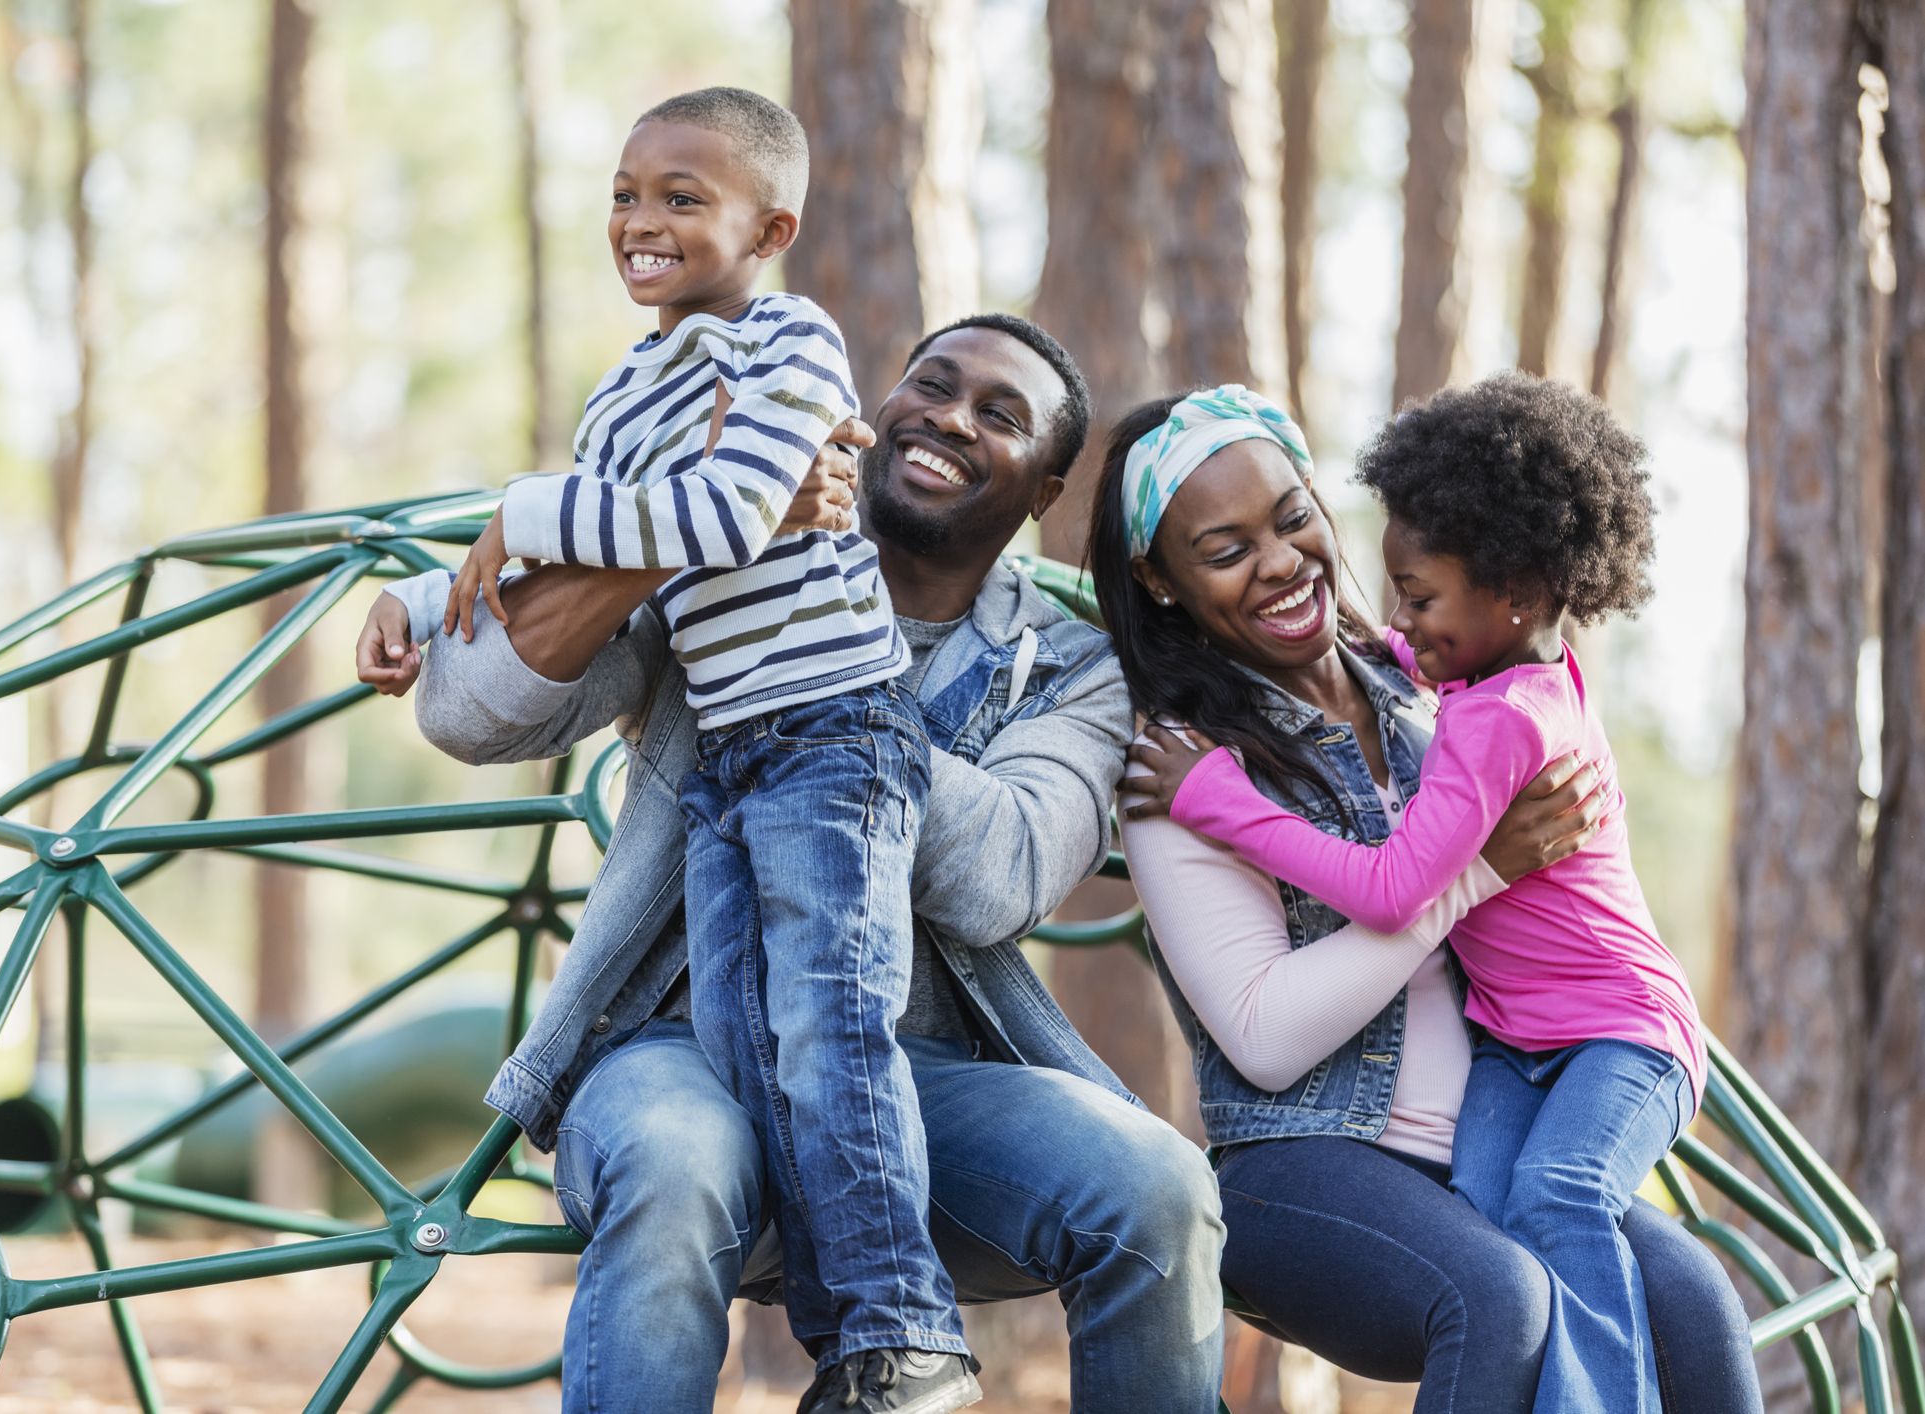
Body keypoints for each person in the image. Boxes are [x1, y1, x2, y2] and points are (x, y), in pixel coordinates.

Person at [355, 314, 1226, 1413]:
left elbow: (1002, 872)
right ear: (875, 406)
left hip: (902, 1078)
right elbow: (469, 713)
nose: (950, 418)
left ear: (1046, 486)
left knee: (1158, 1189)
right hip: (673, 1050)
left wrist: (821, 670)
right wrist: (696, 540)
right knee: (676, 1166)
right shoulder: (734, 557)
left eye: (998, 416)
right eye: (932, 384)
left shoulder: (1070, 667)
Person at [425, 86, 971, 1407]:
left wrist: (538, 507)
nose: (640, 221)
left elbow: (724, 515)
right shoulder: (622, 400)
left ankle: (904, 1335)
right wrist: (406, 612)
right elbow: (585, 541)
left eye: (683, 197)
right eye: (625, 192)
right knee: (748, 1042)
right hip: (729, 755)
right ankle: (854, 1344)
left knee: (831, 1024)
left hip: (834, 736)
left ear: (769, 225)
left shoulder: (785, 342)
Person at [1090, 387, 1762, 1413]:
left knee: (1694, 1300)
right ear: (1161, 580)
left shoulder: (1423, 688)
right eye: (1225, 549)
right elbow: (1266, 1036)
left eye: (1292, 517)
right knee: (1502, 1298)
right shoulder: (1185, 765)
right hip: (1308, 1160)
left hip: (1490, 1125)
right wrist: (1479, 873)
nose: (1279, 561)